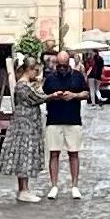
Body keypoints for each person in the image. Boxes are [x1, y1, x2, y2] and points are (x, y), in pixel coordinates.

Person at [39, 46, 88, 198]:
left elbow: (86, 93)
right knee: (54, 153)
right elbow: (42, 95)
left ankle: (75, 186)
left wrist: (74, 95)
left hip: (73, 119)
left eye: (64, 66)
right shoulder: (50, 78)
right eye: (59, 66)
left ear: (69, 64)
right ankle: (54, 186)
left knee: (74, 153)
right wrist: (53, 96)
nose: (61, 69)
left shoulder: (78, 76)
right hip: (54, 119)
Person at [0, 57, 47, 203]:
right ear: (29, 69)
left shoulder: (26, 84)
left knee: (24, 156)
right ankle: (23, 190)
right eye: (36, 70)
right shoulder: (22, 86)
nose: (37, 74)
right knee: (24, 155)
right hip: (25, 125)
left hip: (27, 124)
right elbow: (36, 98)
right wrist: (51, 96)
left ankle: (24, 188)